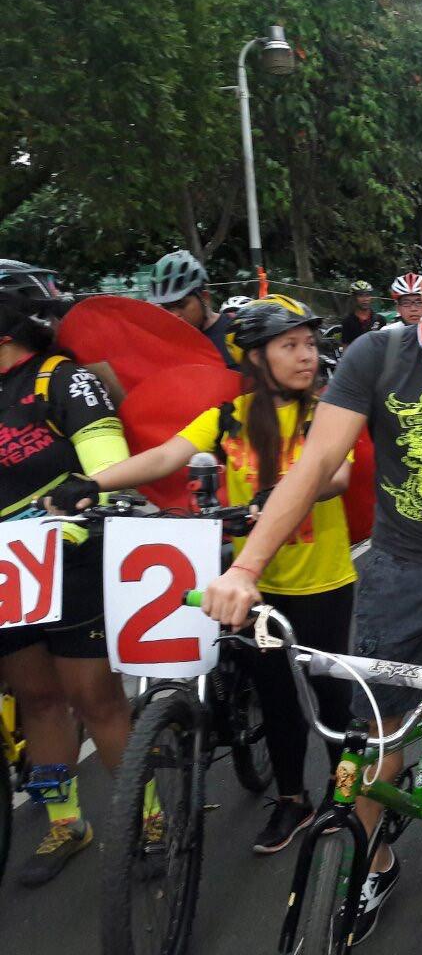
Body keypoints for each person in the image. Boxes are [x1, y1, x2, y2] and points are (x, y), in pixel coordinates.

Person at [197, 219, 422, 941]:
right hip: (392, 571)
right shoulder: (377, 354)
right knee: (374, 729)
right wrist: (244, 568)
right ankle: (374, 858)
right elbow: (313, 465)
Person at [50, 296, 357, 855]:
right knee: (279, 701)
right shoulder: (228, 417)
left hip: (324, 584)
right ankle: (292, 800)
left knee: (333, 705)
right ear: (256, 358)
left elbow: (335, 475)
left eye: (310, 344)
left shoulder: (325, 413)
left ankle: (343, 797)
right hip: (256, 589)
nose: (307, 355)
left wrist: (286, 492)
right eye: (291, 345)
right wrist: (94, 484)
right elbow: (167, 456)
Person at [0, 283, 133, 887]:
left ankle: (145, 817)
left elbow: (107, 467)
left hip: (71, 563)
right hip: (10, 575)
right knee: (39, 702)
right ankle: (64, 822)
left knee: (96, 700)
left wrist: (68, 521)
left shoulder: (61, 378)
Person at [148, 249, 236, 367]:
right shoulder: (163, 345)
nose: (174, 315)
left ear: (204, 297)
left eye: (181, 305)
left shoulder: (236, 335)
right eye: (166, 307)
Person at [340, 280, 379, 346]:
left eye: (367, 295)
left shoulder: (380, 319)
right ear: (354, 298)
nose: (365, 299)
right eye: (361, 295)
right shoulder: (347, 322)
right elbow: (346, 348)